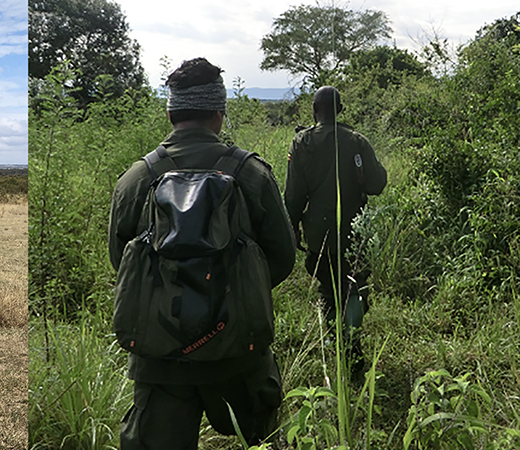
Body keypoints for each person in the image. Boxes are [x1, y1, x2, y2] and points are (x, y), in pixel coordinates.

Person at [108, 57, 297, 449]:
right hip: (240, 354)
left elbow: (121, 262)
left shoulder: (136, 179)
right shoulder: (251, 174)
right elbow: (281, 259)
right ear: (219, 113)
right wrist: (231, 300)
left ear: (170, 111)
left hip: (160, 362)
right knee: (261, 441)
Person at [284, 86, 387, 362]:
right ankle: (351, 345)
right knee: (355, 285)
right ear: (341, 110)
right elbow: (378, 184)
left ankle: (335, 343)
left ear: (314, 110)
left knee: (329, 290)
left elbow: (293, 195)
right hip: (356, 232)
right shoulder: (357, 141)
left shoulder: (302, 143)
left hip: (320, 233)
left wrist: (292, 227)